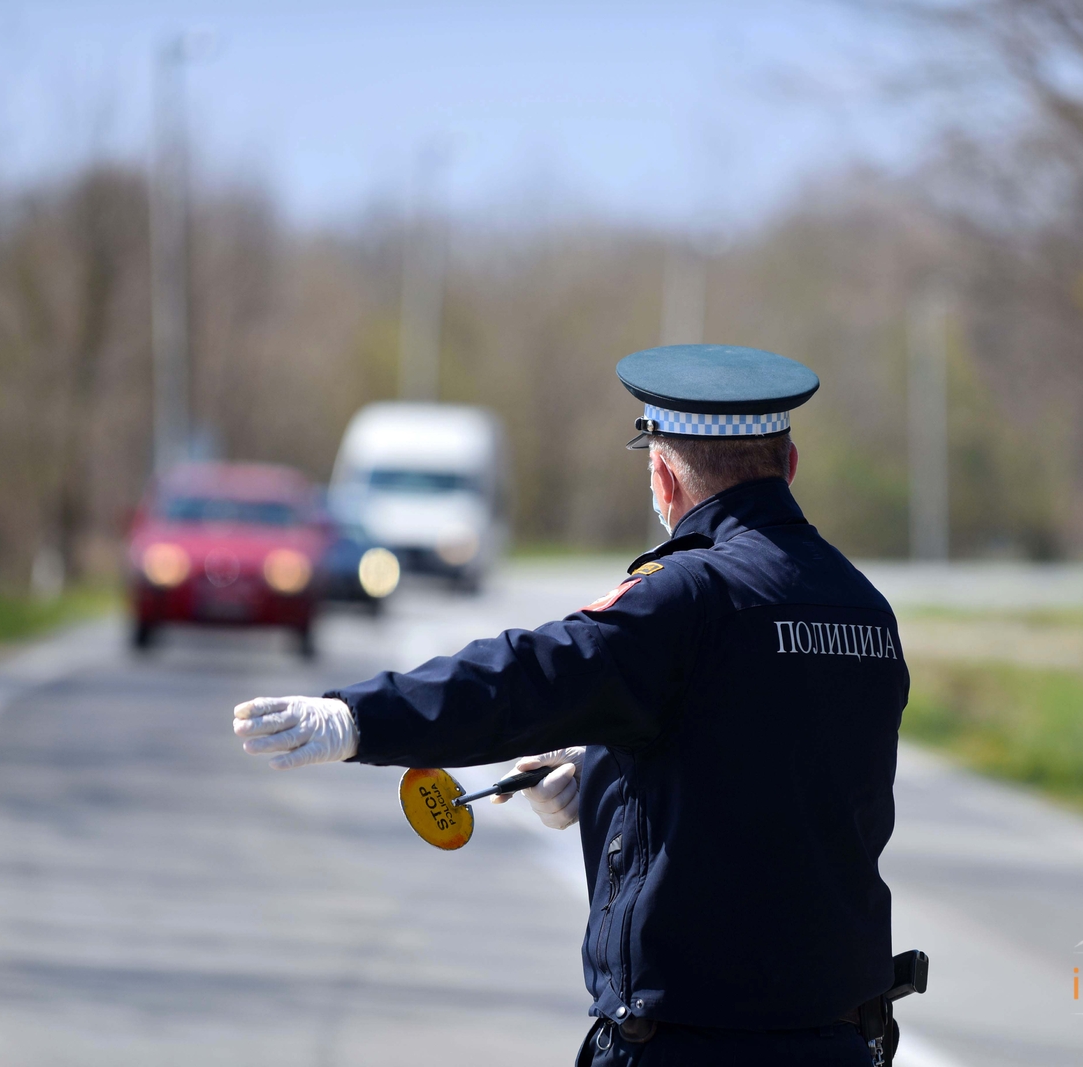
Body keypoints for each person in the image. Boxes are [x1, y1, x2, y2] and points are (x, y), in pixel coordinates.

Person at [232, 344, 910, 1066]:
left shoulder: (687, 595)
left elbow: (525, 676)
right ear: (791, 465)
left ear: (663, 471)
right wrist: (606, 767)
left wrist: (360, 718)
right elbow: (768, 760)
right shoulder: (864, 607)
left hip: (692, 1041)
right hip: (839, 1040)